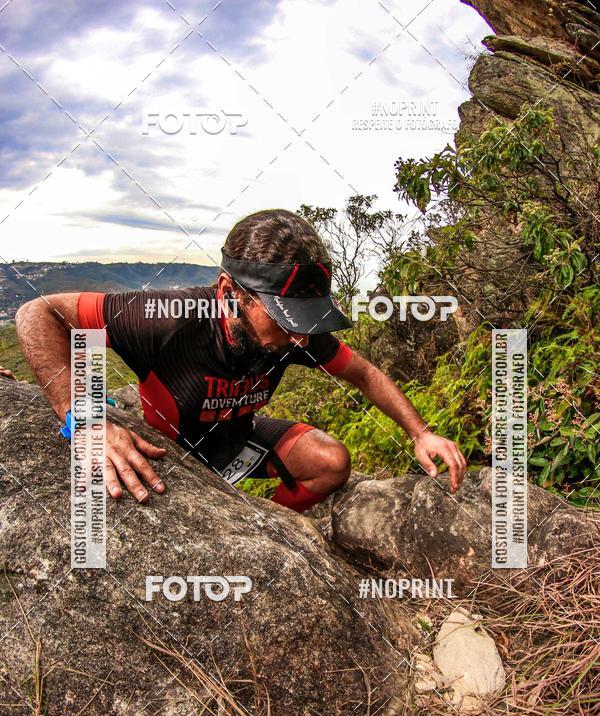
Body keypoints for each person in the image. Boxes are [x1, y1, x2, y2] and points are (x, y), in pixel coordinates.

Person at [15, 209, 466, 512]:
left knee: (331, 461)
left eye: (306, 320)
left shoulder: (299, 335)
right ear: (231, 294)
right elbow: (40, 313)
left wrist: (421, 432)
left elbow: (364, 374)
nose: (298, 335)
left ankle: (272, 521)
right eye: (284, 318)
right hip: (168, 450)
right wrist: (89, 421)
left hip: (238, 440)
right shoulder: (170, 318)